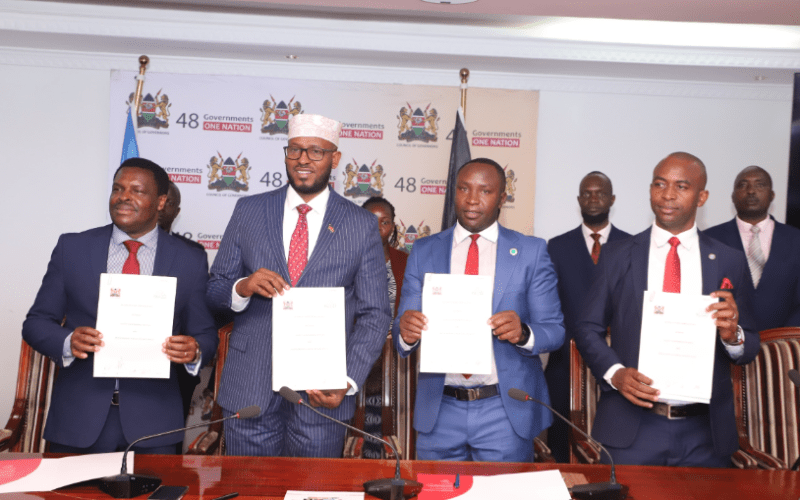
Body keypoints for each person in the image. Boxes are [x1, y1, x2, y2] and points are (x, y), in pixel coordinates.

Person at [206, 113, 391, 457]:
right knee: (251, 493)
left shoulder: (360, 224)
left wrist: (347, 379)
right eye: (295, 150)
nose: (303, 159)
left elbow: (375, 314)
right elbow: (215, 289)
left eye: (316, 151)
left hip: (321, 391)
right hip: (251, 386)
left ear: (335, 158)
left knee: (314, 491)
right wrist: (243, 287)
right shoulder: (249, 210)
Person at [574, 152, 759, 467]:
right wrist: (615, 374)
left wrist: (733, 335)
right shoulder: (617, 255)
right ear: (650, 190)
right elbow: (586, 327)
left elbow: (751, 341)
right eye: (660, 184)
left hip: (706, 434)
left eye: (682, 186)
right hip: (632, 428)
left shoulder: (729, 260)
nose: (668, 195)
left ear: (702, 197)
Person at [22, 157, 218, 454]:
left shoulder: (189, 259)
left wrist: (195, 350)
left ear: (161, 202)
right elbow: (36, 323)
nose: (124, 196)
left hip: (155, 425)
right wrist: (67, 340)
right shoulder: (72, 248)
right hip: (78, 419)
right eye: (118, 188)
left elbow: (206, 335)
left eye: (137, 191)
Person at [393, 158, 565, 462]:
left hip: (503, 407)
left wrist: (524, 333)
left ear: (502, 198)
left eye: (484, 191)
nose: (472, 200)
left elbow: (554, 331)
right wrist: (406, 332)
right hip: (440, 408)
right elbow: (401, 330)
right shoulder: (424, 250)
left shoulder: (530, 252)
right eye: (463, 189)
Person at [544, 171, 630, 463]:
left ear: (612, 199)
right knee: (560, 449)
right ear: (579, 199)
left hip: (619, 364)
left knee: (613, 450)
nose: (593, 199)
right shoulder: (556, 247)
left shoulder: (632, 246)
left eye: (600, 193)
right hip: (564, 365)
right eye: (587, 193)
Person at [704, 166, 800, 331]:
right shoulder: (709, 239)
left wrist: (783, 338)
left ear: (772, 195)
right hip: (724, 344)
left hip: (784, 346)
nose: (750, 191)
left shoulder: (796, 239)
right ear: (733, 196)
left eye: (760, 185)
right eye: (742, 185)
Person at [360, 196, 408, 458]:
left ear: (393, 226)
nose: (378, 227)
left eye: (385, 221)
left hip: (397, 361)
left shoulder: (405, 261)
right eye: (371, 220)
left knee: (392, 427)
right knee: (361, 425)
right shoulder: (346, 259)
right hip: (359, 358)